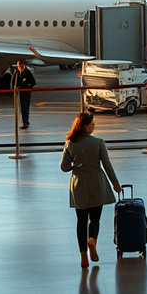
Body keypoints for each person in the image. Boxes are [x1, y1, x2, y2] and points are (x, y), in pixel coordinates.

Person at [61, 112, 122, 269]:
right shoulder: (98, 143)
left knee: (81, 221)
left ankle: (83, 257)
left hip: (78, 183)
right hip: (96, 181)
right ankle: (92, 239)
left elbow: (64, 167)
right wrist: (116, 184)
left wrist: (76, 166)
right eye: (92, 123)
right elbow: (107, 165)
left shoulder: (70, 143)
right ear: (85, 126)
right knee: (94, 219)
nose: (94, 126)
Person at [12, 59, 36, 129]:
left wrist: (28, 86)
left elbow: (33, 82)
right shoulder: (16, 72)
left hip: (26, 92)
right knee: (21, 107)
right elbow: (13, 82)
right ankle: (24, 121)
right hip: (19, 92)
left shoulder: (27, 72)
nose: (19, 66)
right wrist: (14, 88)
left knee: (26, 107)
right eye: (18, 65)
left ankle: (25, 121)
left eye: (21, 65)